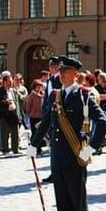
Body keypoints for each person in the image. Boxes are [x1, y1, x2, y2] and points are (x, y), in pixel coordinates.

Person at [28, 57, 106, 211]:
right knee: (62, 202)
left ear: (75, 74)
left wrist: (90, 149)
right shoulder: (55, 96)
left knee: (77, 201)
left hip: (76, 155)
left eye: (66, 71)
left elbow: (103, 122)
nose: (61, 75)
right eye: (60, 72)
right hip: (57, 157)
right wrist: (34, 144)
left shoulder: (83, 96)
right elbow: (46, 121)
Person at [41, 56, 63, 184]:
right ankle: (54, 171)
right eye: (51, 66)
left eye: (54, 66)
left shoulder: (61, 79)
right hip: (50, 115)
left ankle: (58, 172)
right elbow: (47, 98)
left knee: (58, 146)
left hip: (58, 116)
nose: (52, 68)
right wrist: (44, 111)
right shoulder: (50, 79)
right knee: (52, 146)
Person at [0, 71, 22, 155]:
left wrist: (19, 114)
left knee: (15, 132)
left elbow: (17, 103)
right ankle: (5, 150)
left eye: (10, 80)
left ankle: (15, 149)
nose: (9, 82)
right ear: (4, 81)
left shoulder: (13, 90)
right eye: (7, 80)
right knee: (4, 133)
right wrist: (4, 102)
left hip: (13, 113)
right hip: (4, 114)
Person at [25, 80, 44, 154]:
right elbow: (28, 107)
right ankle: (33, 148)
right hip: (34, 117)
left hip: (41, 117)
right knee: (35, 133)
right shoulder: (32, 95)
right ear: (35, 87)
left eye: (40, 86)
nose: (39, 88)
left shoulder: (43, 94)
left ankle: (39, 147)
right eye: (38, 86)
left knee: (40, 133)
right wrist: (30, 113)